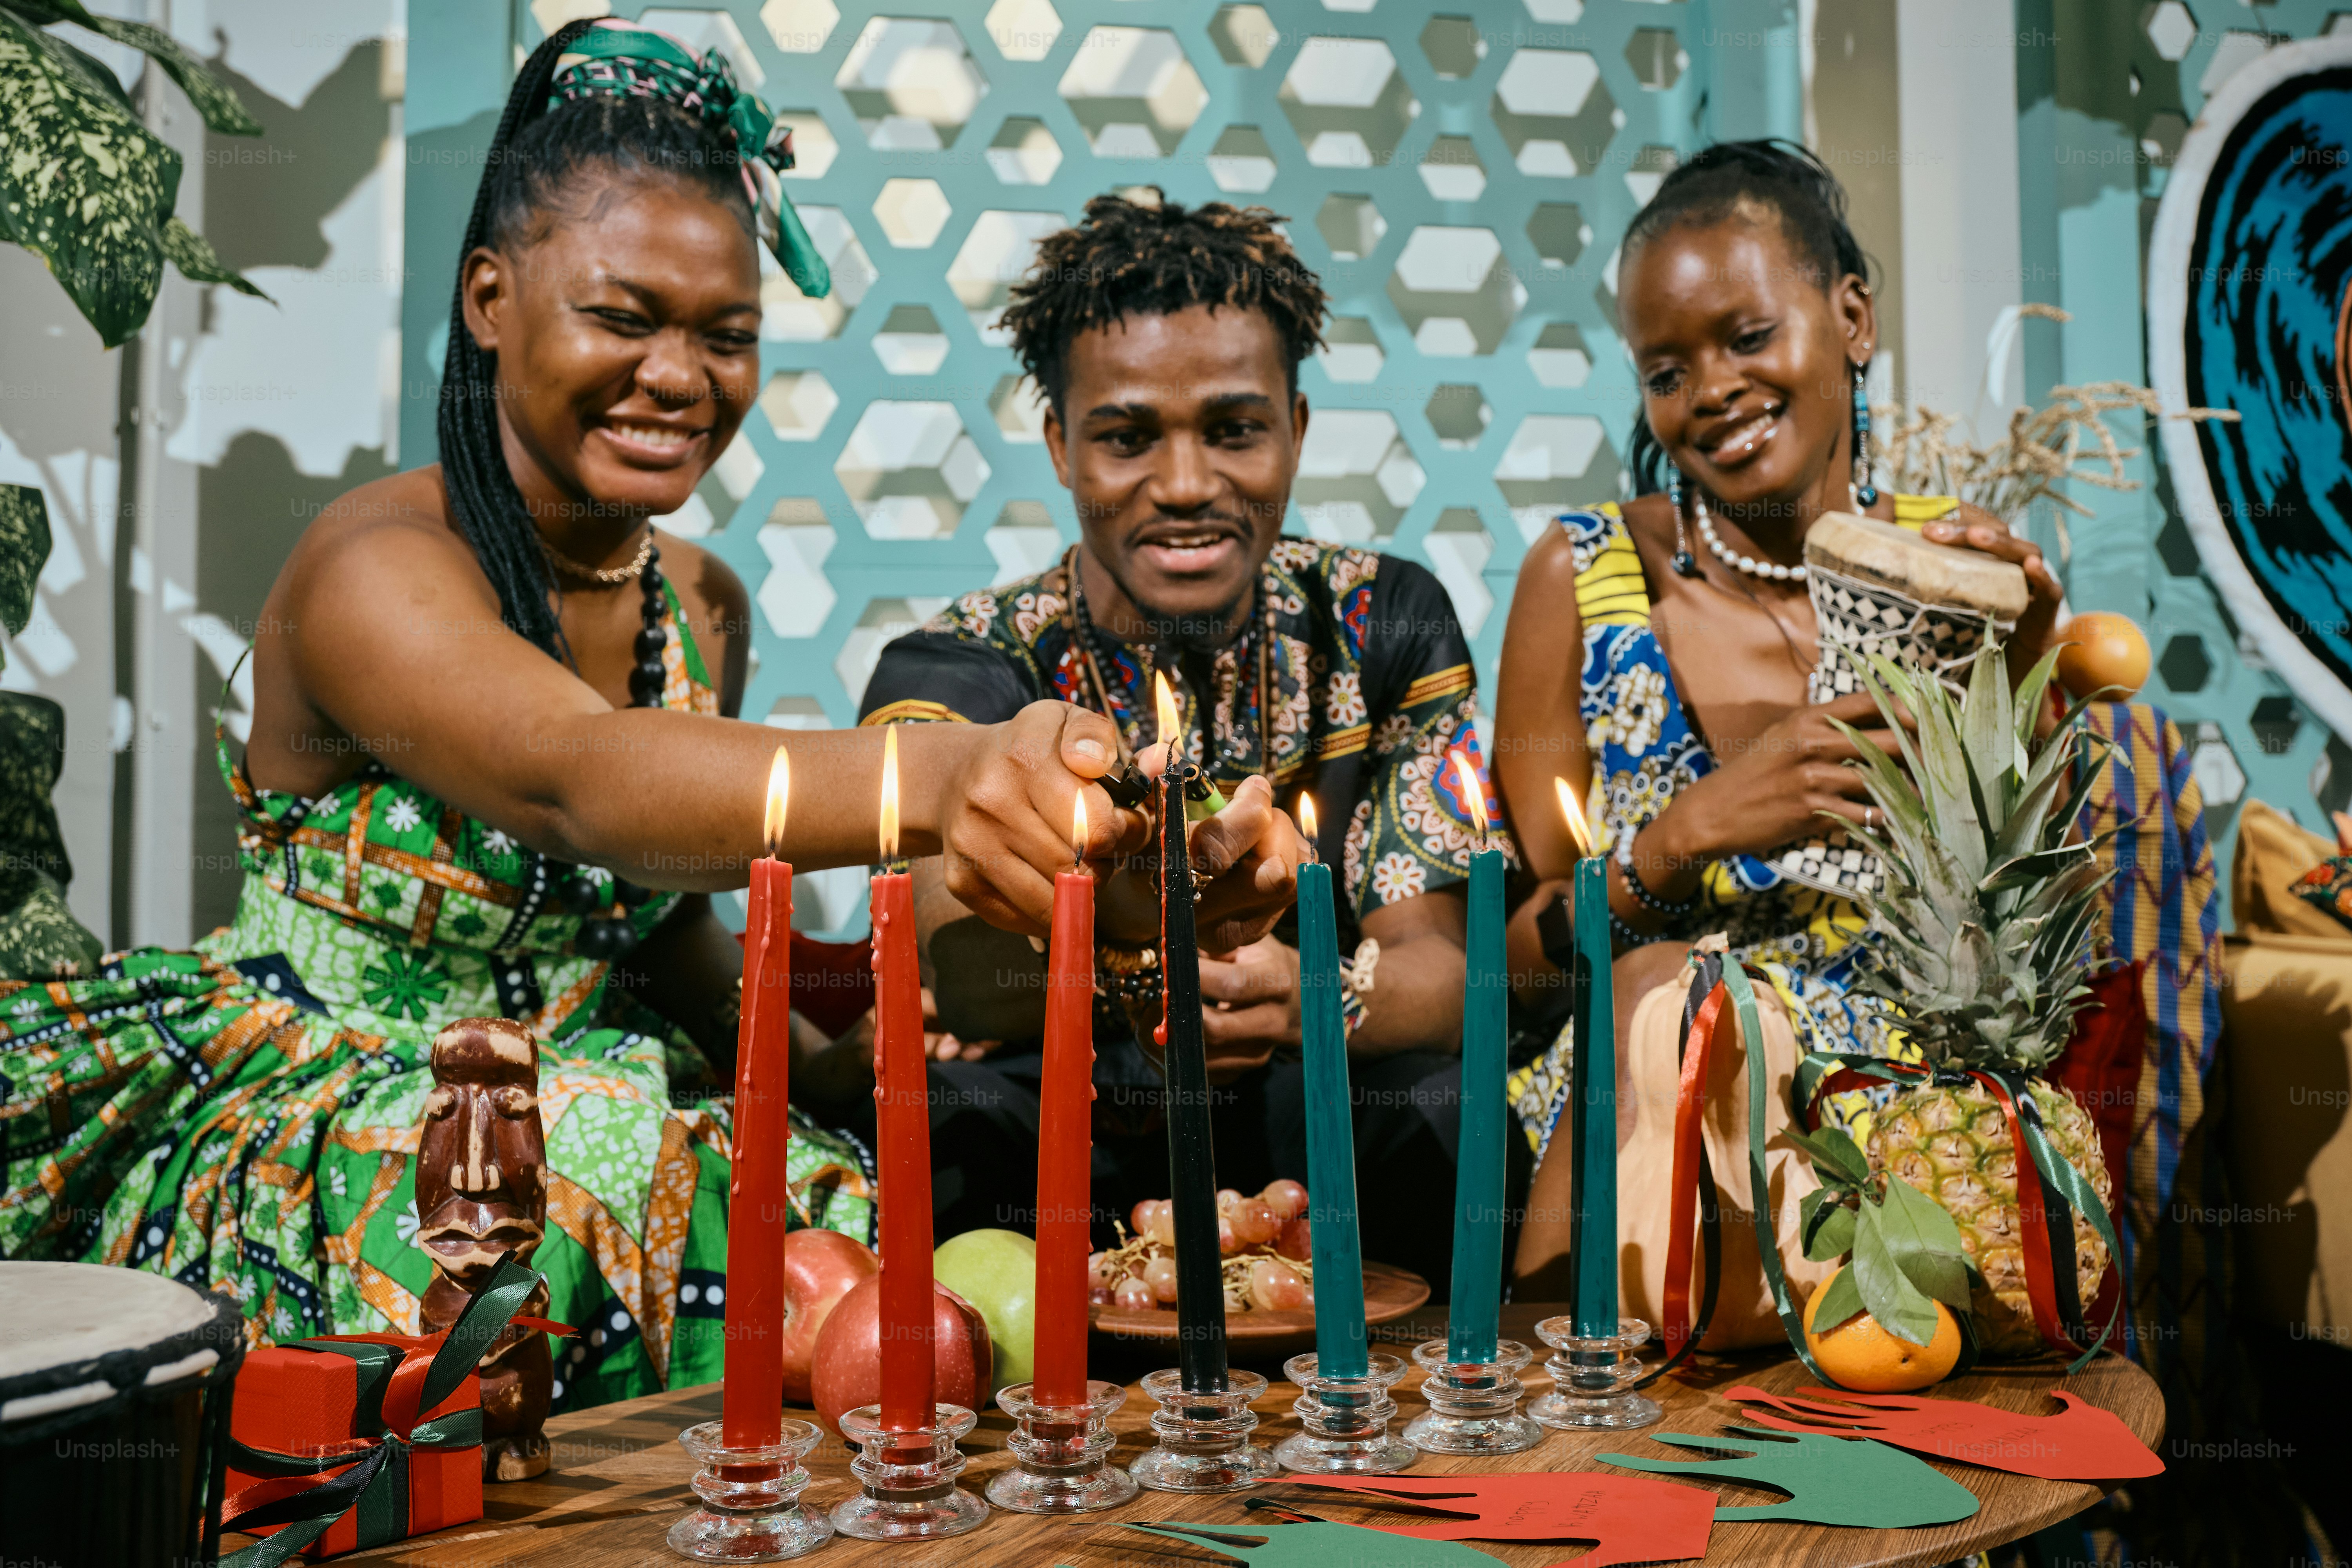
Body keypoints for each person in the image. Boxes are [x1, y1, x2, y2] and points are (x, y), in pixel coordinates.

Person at [0, 22, 1293, 1413]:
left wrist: (848, 1047)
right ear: (491, 297)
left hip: (603, 1079)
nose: (681, 377)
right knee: (588, 1179)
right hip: (349, 1097)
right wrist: (957, 768)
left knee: (854, 1204)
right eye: (625, 318)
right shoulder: (374, 568)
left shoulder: (701, 602)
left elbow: (657, 917)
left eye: (726, 336)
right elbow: (581, 780)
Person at [847, 192, 1521, 1292]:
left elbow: (1442, 967)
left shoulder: (1387, 619)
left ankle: (1422, 1427)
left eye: (1235, 429)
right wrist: (1146, 969)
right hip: (1079, 1114)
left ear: (1297, 430)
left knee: (1438, 1095)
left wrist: (1315, 995)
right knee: (957, 1108)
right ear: (1062, 446)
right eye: (1126, 437)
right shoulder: (956, 664)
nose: (1188, 485)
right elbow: (959, 969)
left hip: (1312, 1112)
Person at [1487, 142, 2063, 1285]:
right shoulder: (1588, 575)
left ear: (1852, 318)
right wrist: (1689, 833)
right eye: (1666, 369)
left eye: (1747, 338)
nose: (1709, 393)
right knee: (1663, 1003)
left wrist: (2034, 660)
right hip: (1658, 1107)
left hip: (1911, 1104)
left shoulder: (1960, 573)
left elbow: (2029, 920)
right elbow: (1526, 962)